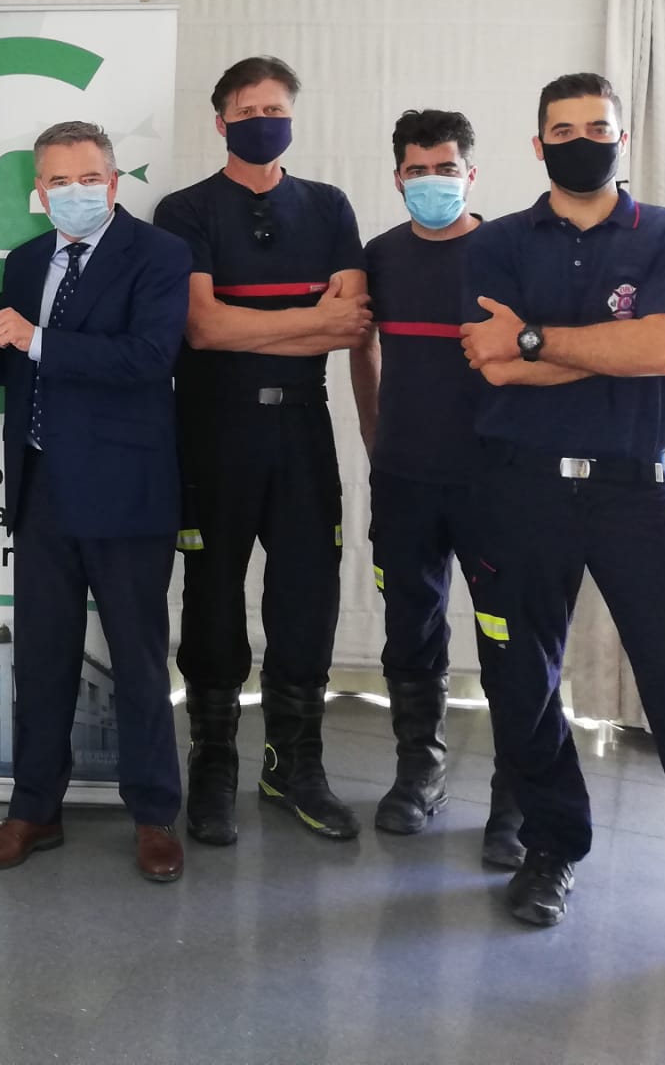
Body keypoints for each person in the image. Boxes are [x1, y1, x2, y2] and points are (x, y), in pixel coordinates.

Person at [459, 72, 665, 1000]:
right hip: (521, 494)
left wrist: (536, 339)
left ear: (622, 137)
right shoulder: (498, 243)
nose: (581, 141)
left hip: (638, 497)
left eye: (597, 127)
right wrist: (605, 344)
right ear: (537, 144)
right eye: (562, 130)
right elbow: (491, 364)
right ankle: (551, 848)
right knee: (522, 688)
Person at [0, 122, 191, 883]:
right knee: (43, 658)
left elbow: (149, 357)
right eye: (58, 181)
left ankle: (153, 815)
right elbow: (12, 364)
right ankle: (33, 810)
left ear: (114, 184)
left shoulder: (160, 254)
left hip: (127, 491)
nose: (74, 192)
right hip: (42, 486)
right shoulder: (26, 262)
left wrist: (35, 339)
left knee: (138, 660)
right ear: (39, 191)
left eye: (88, 178)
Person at [153, 56, 371, 846]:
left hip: (303, 428)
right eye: (246, 111)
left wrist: (257, 323)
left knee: (306, 597)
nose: (261, 121)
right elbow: (203, 329)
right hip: (213, 428)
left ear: (293, 117)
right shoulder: (184, 210)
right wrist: (310, 320)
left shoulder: (329, 206)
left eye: (274, 109)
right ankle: (213, 763)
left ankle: (294, 766)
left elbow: (352, 323)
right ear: (220, 123)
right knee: (211, 598)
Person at [347, 109, 524, 868]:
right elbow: (362, 347)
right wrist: (373, 431)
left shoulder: (509, 251)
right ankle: (419, 771)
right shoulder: (381, 256)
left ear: (470, 174)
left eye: (445, 168)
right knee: (411, 629)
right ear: (397, 178)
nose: (431, 182)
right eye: (417, 171)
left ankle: (517, 798)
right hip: (405, 479)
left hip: (495, 481)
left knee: (511, 637)